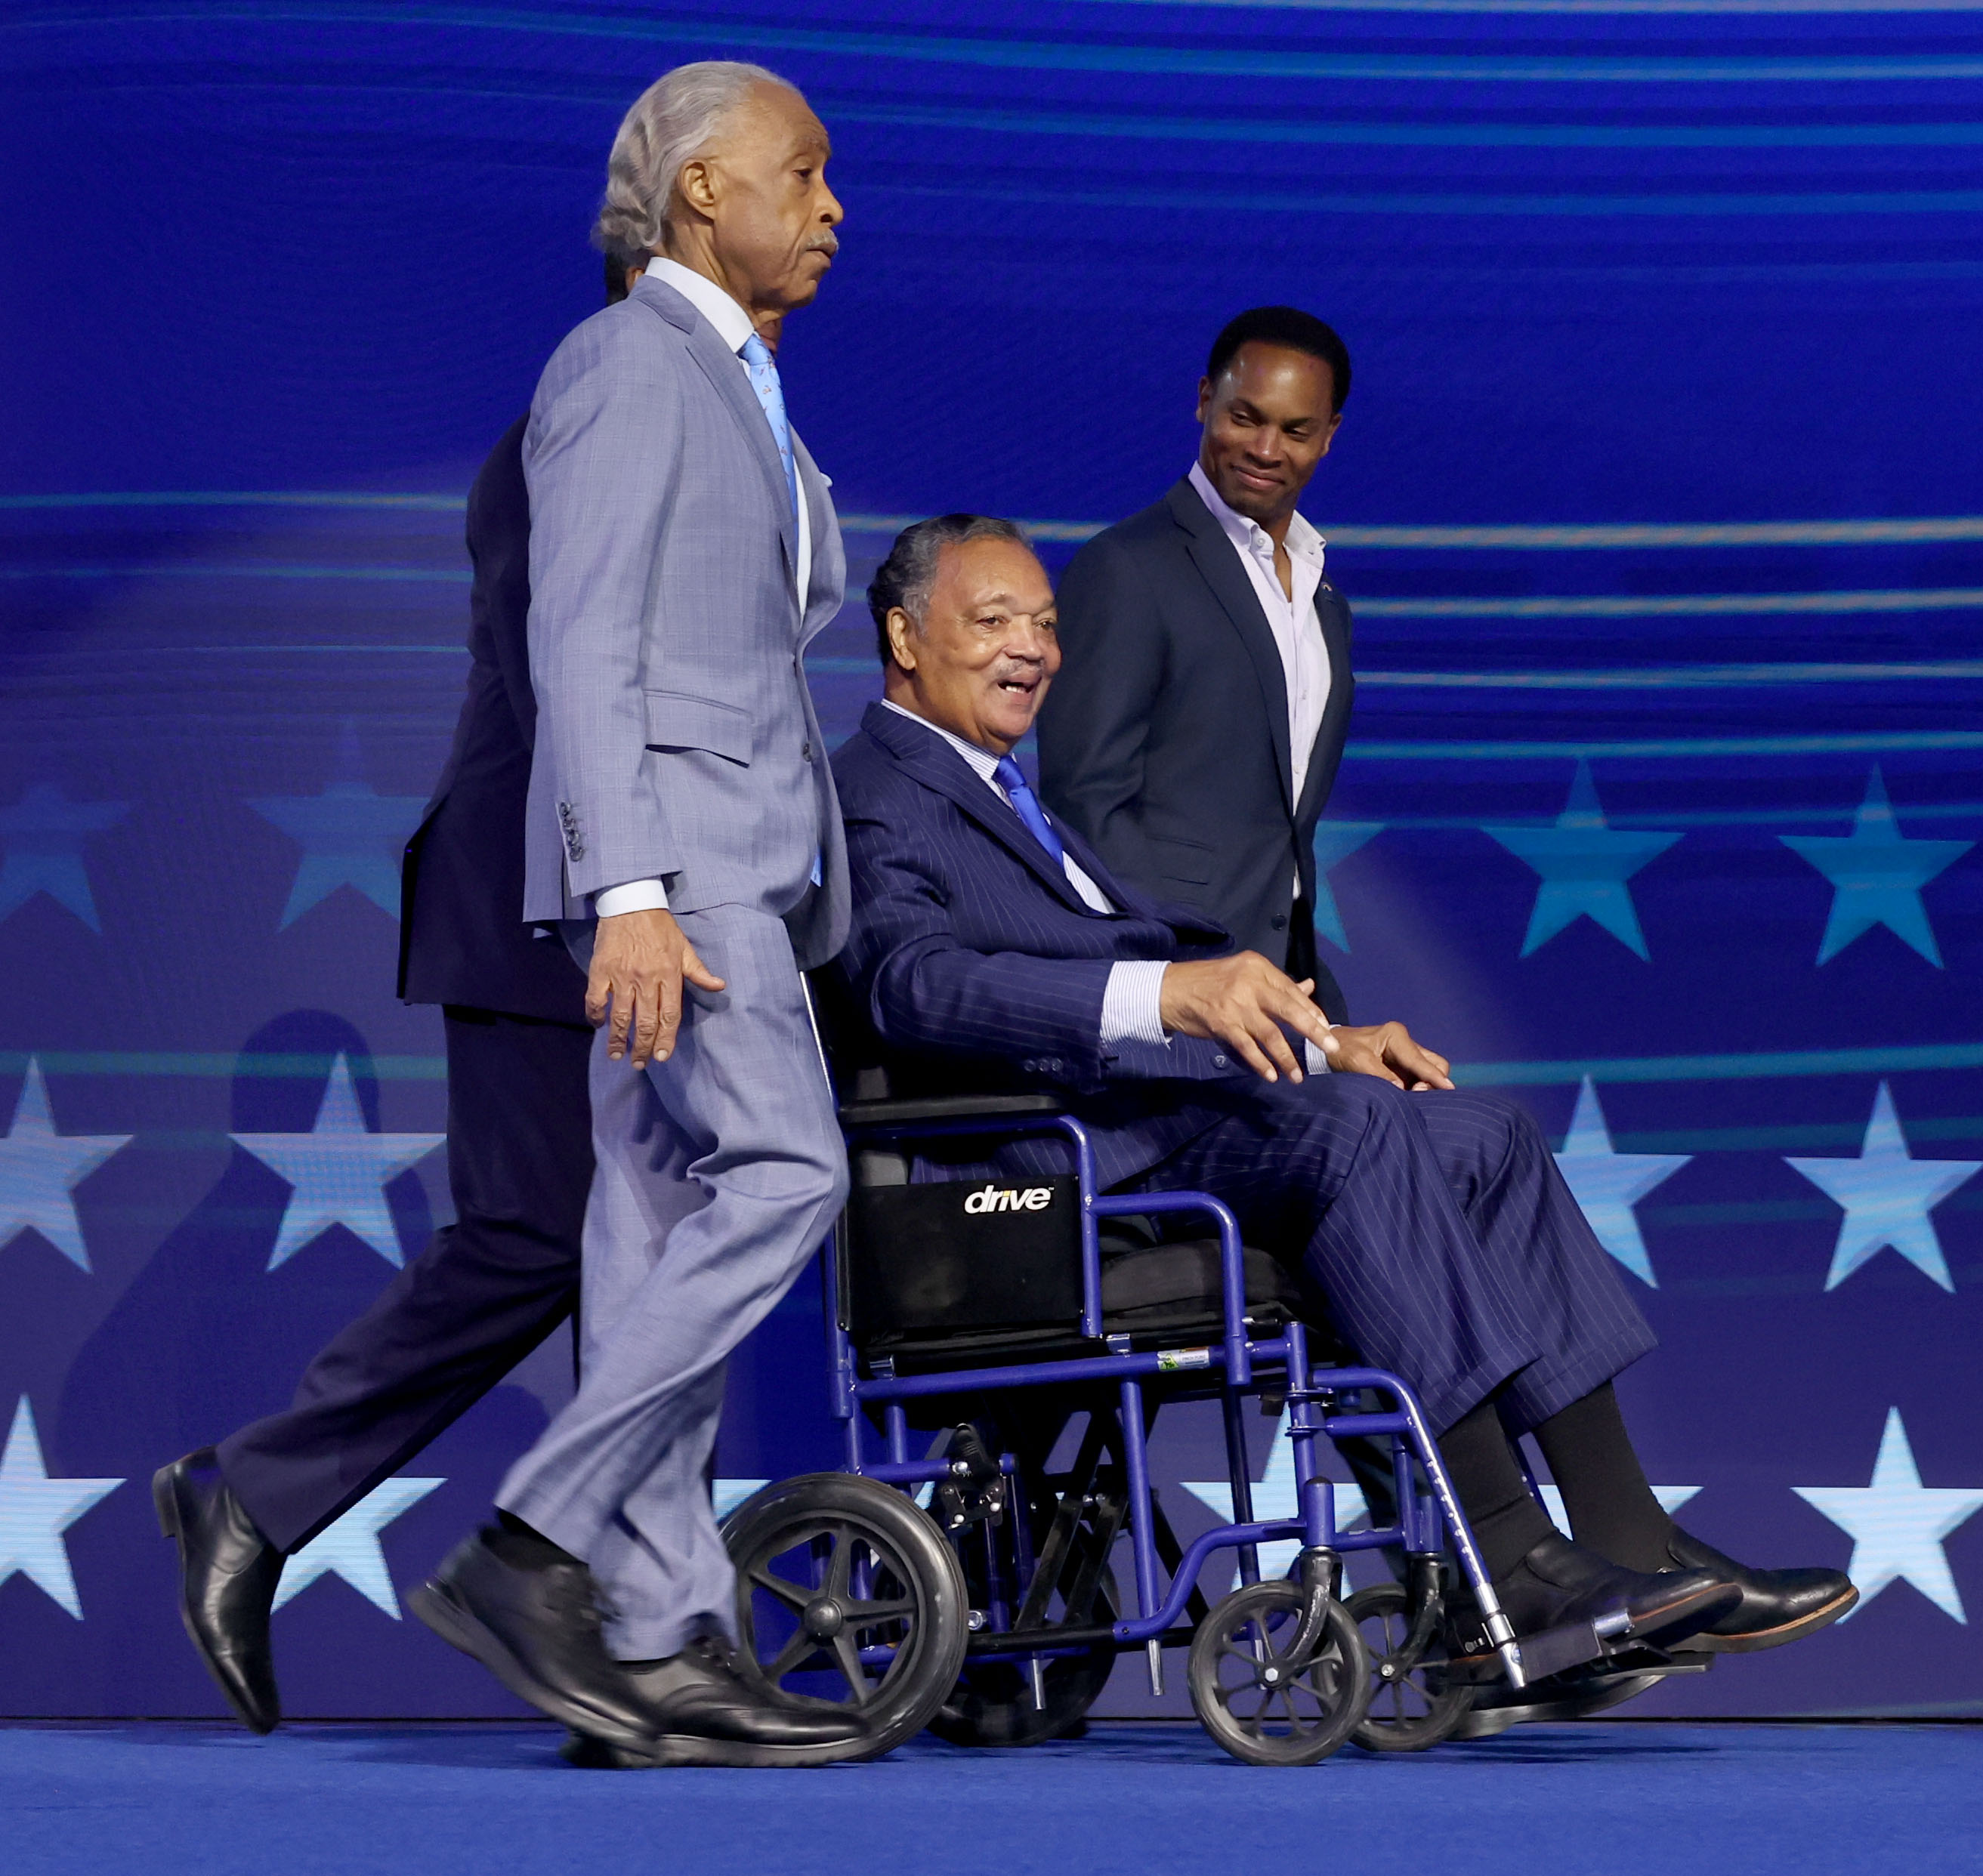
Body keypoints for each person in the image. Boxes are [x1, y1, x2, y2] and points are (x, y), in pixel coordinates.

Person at [835, 516, 1859, 1665]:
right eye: (995, 623)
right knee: (1366, 1136)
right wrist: (1168, 994)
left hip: (1156, 1123)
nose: (1033, 648)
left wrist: (1325, 1043)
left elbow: (1165, 989)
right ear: (904, 635)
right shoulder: (881, 790)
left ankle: (1633, 1542)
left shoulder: (1005, 790)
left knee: (1486, 1138)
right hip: (1052, 1165)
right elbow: (913, 986)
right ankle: (1509, 1564)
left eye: (1046, 623)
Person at [403, 60, 866, 1770]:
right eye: (805, 175)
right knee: (791, 1169)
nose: (833, 207)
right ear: (698, 196)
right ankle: (535, 1541)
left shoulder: (738, 379)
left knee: (660, 1229)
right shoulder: (622, 364)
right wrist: (634, 892)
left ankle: (661, 1629)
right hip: (682, 875)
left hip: (719, 869)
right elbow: (580, 641)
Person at [152, 251, 638, 1736]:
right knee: (540, 1239)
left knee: (633, 1250)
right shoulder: (585, 423)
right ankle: (251, 1493)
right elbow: (581, 681)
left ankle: (614, 1618)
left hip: (617, 902)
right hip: (540, 903)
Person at [1038, 307, 1360, 1021]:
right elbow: (1085, 802)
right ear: (1203, 399)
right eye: (1245, 416)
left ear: (1328, 436)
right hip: (1175, 987)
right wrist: (1186, 965)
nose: (1265, 448)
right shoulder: (1126, 567)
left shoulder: (1323, 596)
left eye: (1296, 430)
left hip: (1286, 989)